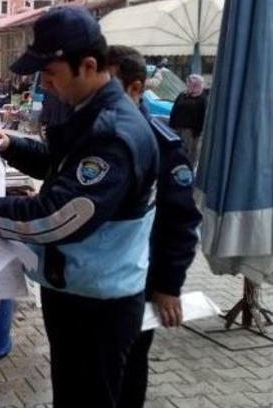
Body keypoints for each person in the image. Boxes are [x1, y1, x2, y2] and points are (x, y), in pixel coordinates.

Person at [0, 7, 159, 408]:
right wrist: (12, 145)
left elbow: (61, 216)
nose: (46, 85)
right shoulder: (88, 115)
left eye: (51, 74)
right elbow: (62, 168)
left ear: (88, 66)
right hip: (77, 289)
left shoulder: (113, 133)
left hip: (98, 304)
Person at [107, 46, 201, 408]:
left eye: (109, 88)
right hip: (100, 280)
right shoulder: (100, 135)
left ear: (135, 89)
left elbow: (181, 221)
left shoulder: (163, 145)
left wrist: (167, 286)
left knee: (129, 368)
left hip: (140, 280)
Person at [169, 74, 208, 168]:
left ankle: (186, 171)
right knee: (175, 151)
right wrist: (171, 125)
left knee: (187, 154)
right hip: (176, 128)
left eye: (191, 83)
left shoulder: (202, 98)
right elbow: (174, 109)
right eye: (188, 82)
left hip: (190, 132)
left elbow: (202, 116)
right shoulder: (183, 94)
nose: (188, 84)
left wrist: (197, 132)